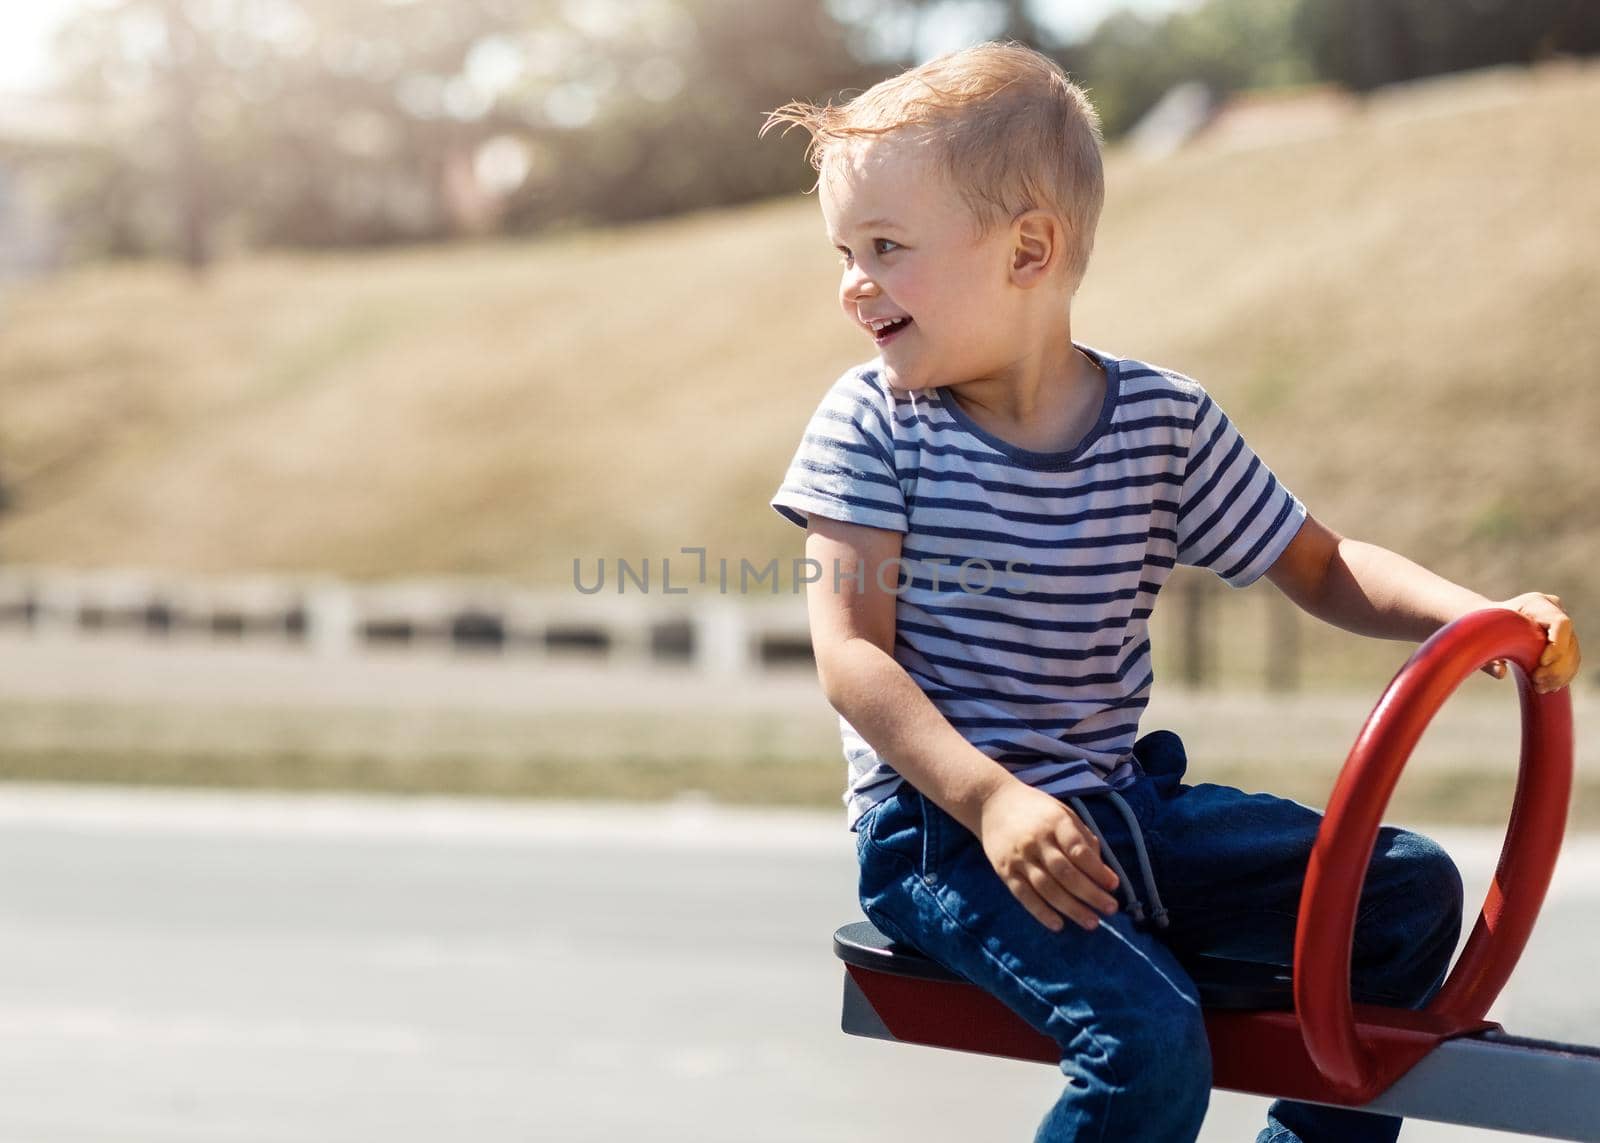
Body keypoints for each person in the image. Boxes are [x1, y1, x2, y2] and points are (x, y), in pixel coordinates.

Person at [762, 41, 1581, 1143]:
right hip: (944, 829)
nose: (853, 283)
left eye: (886, 248)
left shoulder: (1160, 423)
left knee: (1405, 896)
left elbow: (1318, 564)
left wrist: (1474, 615)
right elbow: (851, 657)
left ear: (1028, 250)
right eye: (844, 252)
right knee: (1145, 1041)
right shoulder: (872, 426)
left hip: (1117, 808)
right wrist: (996, 801)